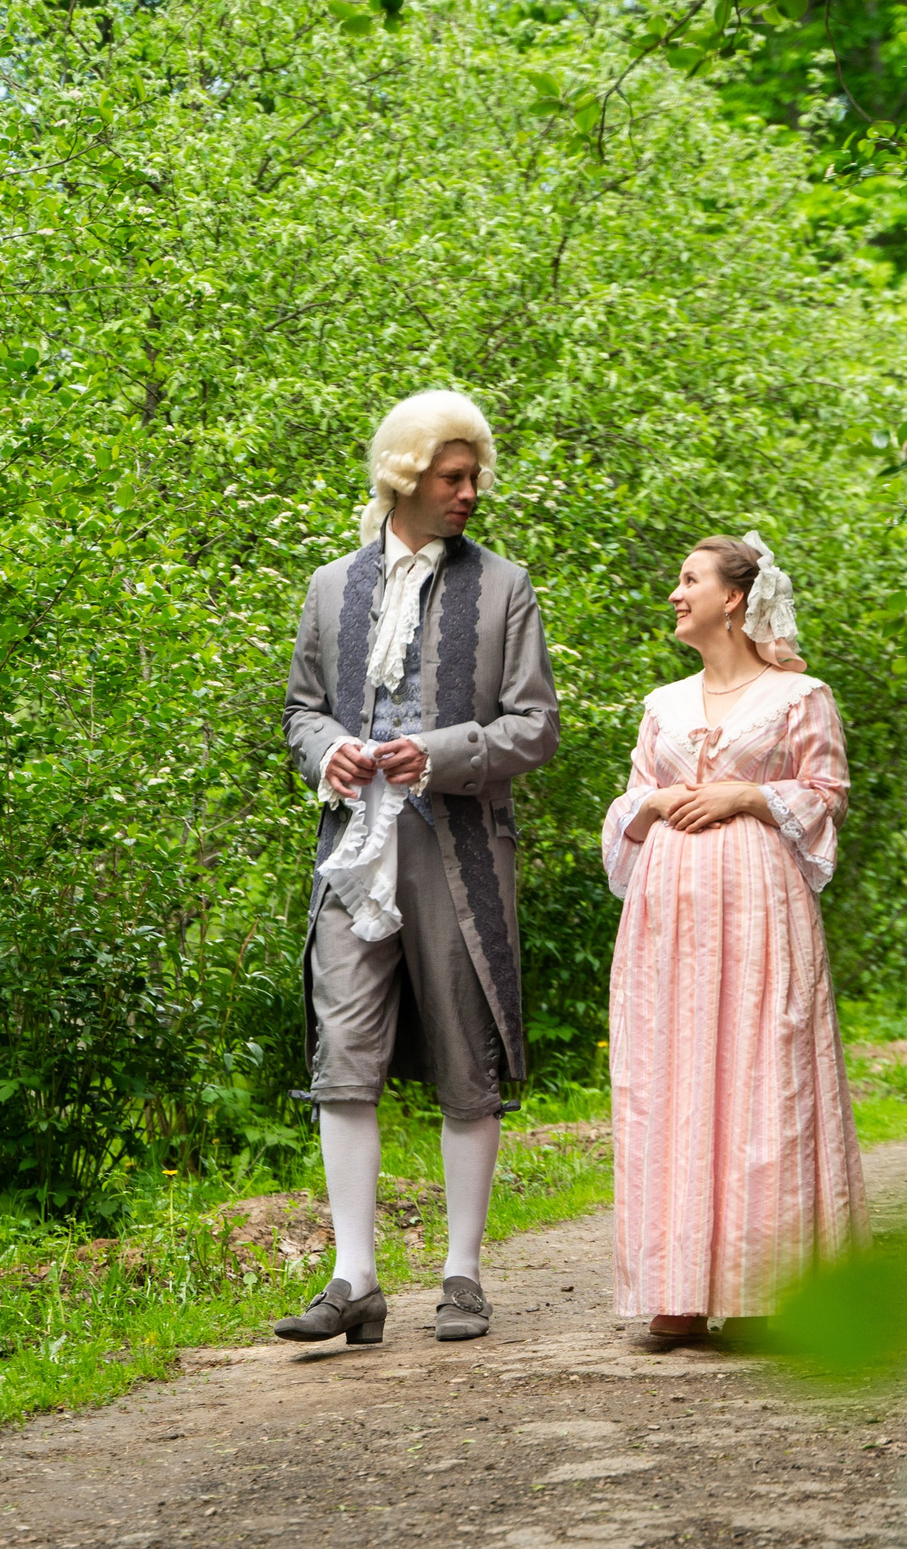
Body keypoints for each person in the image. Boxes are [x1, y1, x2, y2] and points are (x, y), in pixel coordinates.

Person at [275, 390, 560, 1346]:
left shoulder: (505, 587)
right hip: (351, 852)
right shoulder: (330, 587)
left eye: (474, 475)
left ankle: (461, 1274)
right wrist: (328, 752)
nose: (470, 491)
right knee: (343, 1055)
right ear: (406, 477)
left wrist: (434, 752)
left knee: (468, 1057)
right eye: (452, 476)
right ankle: (354, 1279)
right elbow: (301, 710)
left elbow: (536, 727)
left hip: (459, 850)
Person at [601, 533, 867, 1341]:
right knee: (669, 1075)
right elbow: (631, 800)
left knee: (761, 1071)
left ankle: (764, 1287)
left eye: (690, 579)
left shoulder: (800, 695)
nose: (675, 593)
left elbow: (828, 792)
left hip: (758, 906)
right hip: (667, 914)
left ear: (734, 597)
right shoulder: (664, 704)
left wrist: (747, 795)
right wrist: (651, 805)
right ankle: (677, 1288)